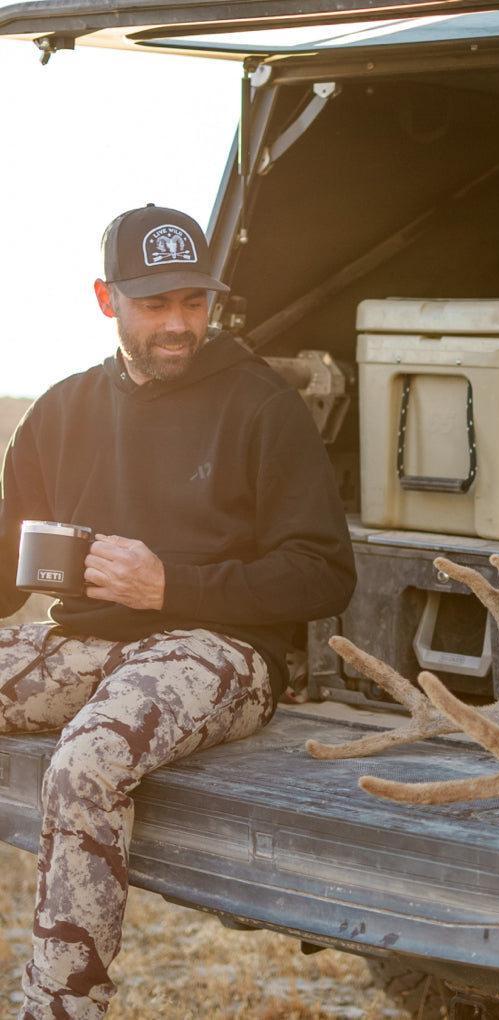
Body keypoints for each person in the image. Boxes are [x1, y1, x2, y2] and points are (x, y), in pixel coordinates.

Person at [0, 204, 357, 1020]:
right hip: (90, 648)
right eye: (155, 304)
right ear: (106, 299)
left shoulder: (263, 406)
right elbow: (7, 579)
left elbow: (324, 576)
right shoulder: (60, 412)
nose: (178, 324)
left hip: (224, 652)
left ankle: (59, 1007)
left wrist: (171, 586)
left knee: (87, 761)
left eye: (193, 303)